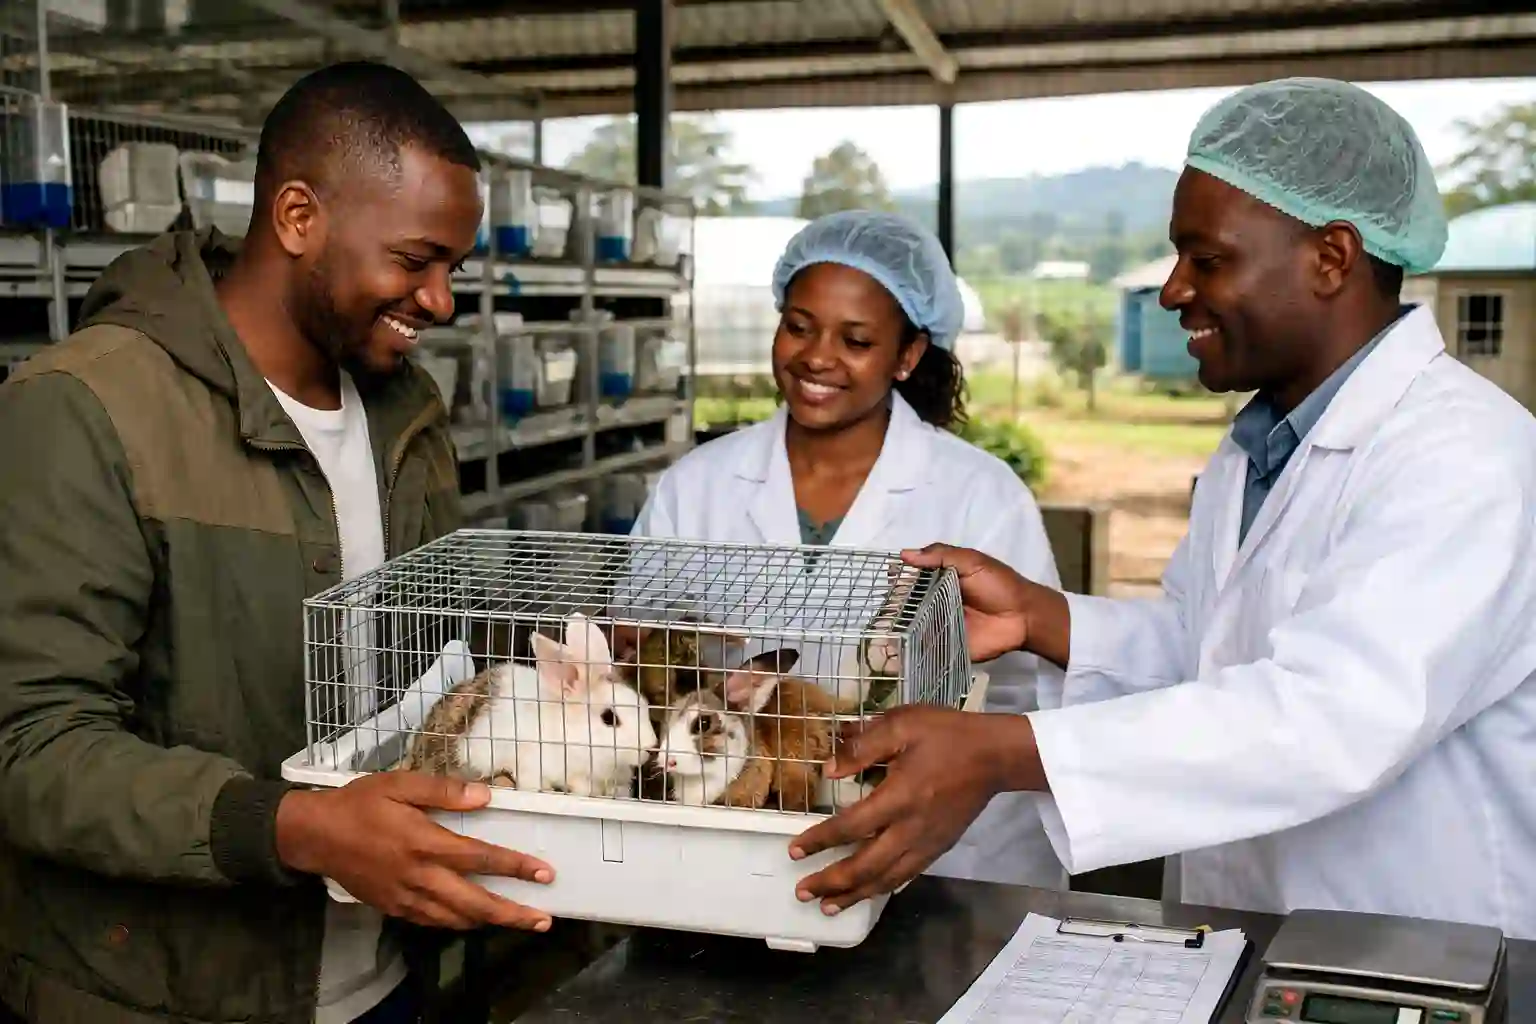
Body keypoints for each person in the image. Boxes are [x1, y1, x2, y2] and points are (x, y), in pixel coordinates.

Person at [786, 77, 1536, 940]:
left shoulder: (1461, 456)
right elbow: (1210, 651)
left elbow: (1332, 717)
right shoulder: (1255, 450)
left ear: (1331, 258)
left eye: (1207, 259)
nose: (1174, 290)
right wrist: (1044, 617)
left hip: (1416, 943)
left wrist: (1003, 751)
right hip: (1256, 927)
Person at [0, 62, 554, 1024]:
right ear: (299, 218)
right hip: (165, 996)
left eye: (452, 269)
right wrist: (297, 827)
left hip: (387, 978)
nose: (441, 301)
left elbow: (442, 649)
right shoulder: (88, 407)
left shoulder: (406, 414)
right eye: (416, 260)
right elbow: (30, 744)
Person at [630, 209, 1068, 890]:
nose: (817, 357)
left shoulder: (979, 494)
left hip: (944, 859)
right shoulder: (700, 485)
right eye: (799, 326)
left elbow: (1026, 691)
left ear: (907, 356)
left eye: (856, 340)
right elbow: (641, 665)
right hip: (736, 839)